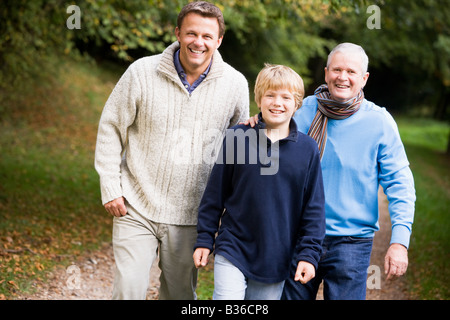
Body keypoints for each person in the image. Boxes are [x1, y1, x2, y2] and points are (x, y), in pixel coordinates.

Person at [94, 1, 249, 300]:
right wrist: (111, 186)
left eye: (207, 36)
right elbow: (111, 127)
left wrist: (225, 209)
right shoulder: (141, 72)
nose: (198, 42)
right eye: (191, 33)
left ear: (218, 41)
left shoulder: (235, 85)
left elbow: (237, 152)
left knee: (179, 295)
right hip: (136, 204)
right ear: (178, 33)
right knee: (129, 290)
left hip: (192, 214)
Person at [246, 43, 416, 300]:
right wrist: (254, 123)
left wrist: (399, 241)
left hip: (352, 243)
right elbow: (264, 143)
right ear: (326, 73)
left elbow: (400, 184)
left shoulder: (379, 122)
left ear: (364, 78)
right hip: (297, 235)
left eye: (351, 71)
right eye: (337, 70)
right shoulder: (301, 110)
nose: (343, 77)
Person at [193, 64, 325, 300]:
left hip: (276, 256)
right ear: (259, 99)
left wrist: (308, 255)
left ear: (296, 104)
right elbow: (215, 194)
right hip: (233, 247)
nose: (277, 103)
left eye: (285, 97)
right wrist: (204, 238)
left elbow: (313, 210)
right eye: (270, 95)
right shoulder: (237, 138)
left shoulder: (307, 149)